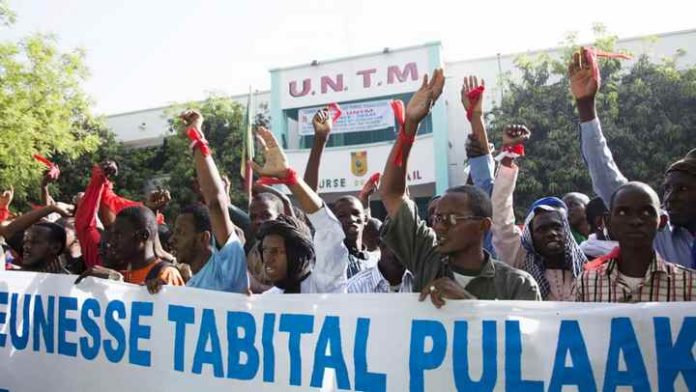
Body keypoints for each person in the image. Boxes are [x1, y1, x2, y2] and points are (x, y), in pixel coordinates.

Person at [378, 69, 541, 306]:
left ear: (483, 226)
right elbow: (391, 193)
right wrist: (410, 124)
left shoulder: (518, 285)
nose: (439, 226)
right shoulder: (426, 257)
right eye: (437, 218)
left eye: (452, 219)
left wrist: (466, 304)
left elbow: (527, 342)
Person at [570, 47, 695, 267]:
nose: (670, 198)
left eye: (682, 189)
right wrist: (585, 105)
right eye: (667, 189)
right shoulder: (660, 230)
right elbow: (606, 177)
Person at [492, 125, 588, 301]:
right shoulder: (521, 261)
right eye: (542, 229)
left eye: (557, 227)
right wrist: (507, 158)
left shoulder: (587, 271)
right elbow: (500, 219)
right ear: (531, 236)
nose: (551, 233)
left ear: (566, 231)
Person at [253, 126, 348, 294]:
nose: (267, 259)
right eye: (265, 250)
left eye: (275, 251)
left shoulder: (324, 285)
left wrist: (289, 177)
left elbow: (328, 230)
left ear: (296, 253)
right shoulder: (266, 302)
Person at [170, 110, 249, 294]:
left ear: (204, 238)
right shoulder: (189, 289)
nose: (172, 239)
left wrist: (196, 138)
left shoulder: (227, 266)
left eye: (181, 233)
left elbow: (215, 203)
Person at [576, 182, 696, 302]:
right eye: (623, 212)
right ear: (608, 221)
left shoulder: (690, 284)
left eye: (646, 212)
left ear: (662, 222)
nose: (635, 221)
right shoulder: (585, 284)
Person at [304, 108, 378, 277]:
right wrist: (320, 139)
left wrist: (365, 198)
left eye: (355, 213)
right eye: (342, 216)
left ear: (365, 218)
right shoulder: (329, 254)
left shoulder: (377, 261)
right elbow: (309, 194)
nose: (350, 219)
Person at [347, 240, 412, 293]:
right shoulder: (354, 288)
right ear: (381, 244)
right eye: (397, 245)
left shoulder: (419, 283)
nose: (401, 252)